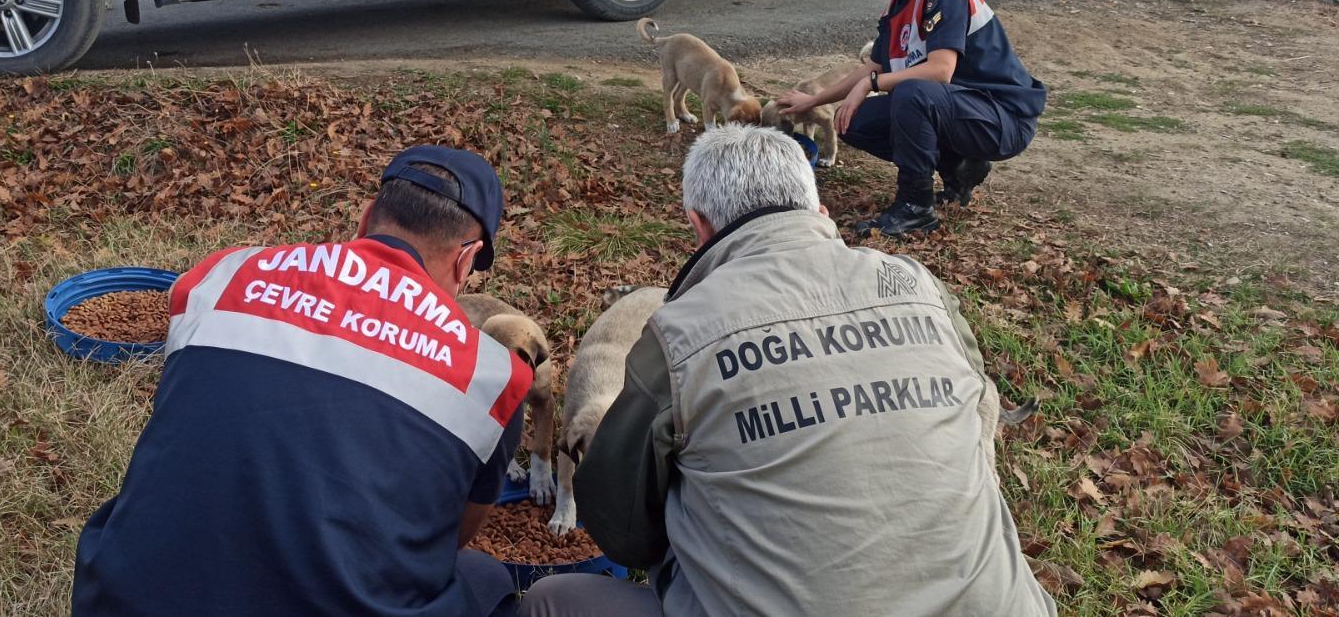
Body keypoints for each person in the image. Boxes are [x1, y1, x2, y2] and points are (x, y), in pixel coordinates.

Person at [519, 125, 1056, 617]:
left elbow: (623, 530)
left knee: (550, 601)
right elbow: (973, 409)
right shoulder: (920, 286)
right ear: (816, 205)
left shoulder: (680, 331)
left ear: (698, 225)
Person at [73, 146, 532, 617]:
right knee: (488, 579)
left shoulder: (220, 275)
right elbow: (448, 538)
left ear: (366, 216)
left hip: (121, 599)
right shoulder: (492, 379)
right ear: (466, 260)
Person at [777, 0, 1046, 237]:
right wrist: (813, 101)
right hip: (960, 111)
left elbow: (940, 71)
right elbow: (873, 65)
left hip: (1002, 117)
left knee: (912, 92)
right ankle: (960, 167)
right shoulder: (898, 6)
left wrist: (872, 83)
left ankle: (915, 208)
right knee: (852, 119)